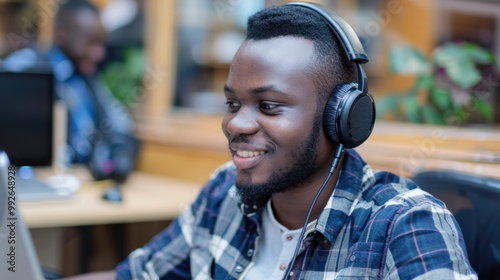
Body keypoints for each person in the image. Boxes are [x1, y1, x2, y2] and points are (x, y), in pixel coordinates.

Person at [111, 3, 477, 279]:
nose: (236, 123)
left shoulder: (405, 223)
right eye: (232, 103)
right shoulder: (224, 190)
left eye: (268, 106)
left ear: (342, 118)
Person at [3, 0, 139, 183]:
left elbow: (119, 123)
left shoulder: (88, 78)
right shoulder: (27, 69)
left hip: (80, 183)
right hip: (31, 181)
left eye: (100, 44)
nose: (98, 53)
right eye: (89, 42)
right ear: (61, 34)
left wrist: (121, 148)